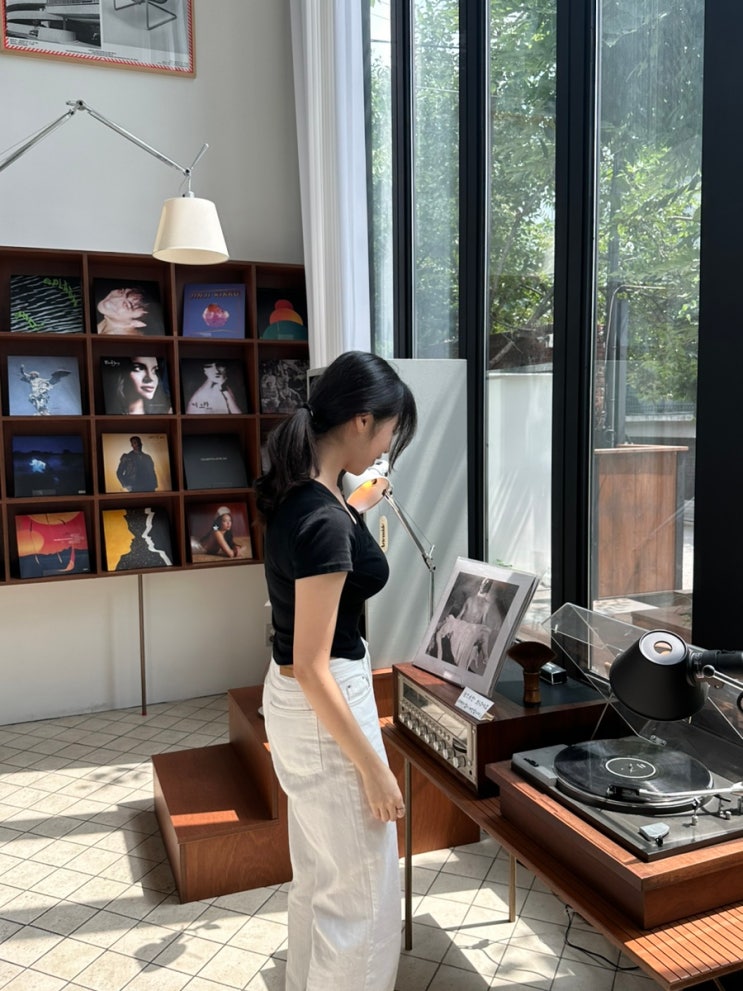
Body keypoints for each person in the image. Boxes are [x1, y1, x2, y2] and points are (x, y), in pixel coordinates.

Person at [255, 350, 417, 991]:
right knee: (364, 904)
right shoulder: (323, 520)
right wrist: (374, 768)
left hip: (296, 703)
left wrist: (356, 504)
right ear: (361, 420)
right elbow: (312, 665)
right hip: (325, 702)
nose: (386, 449)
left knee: (322, 878)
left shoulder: (302, 495)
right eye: (389, 433)